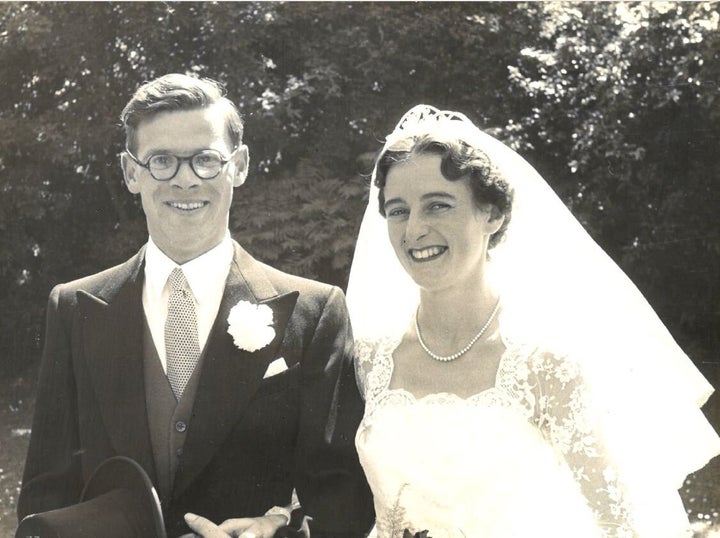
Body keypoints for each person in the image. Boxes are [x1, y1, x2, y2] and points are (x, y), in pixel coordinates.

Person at [17, 73, 374, 538]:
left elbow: (341, 496)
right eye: (161, 160)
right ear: (131, 172)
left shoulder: (315, 310)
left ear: (239, 165)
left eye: (206, 159)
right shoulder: (75, 307)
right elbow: (46, 497)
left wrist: (279, 532)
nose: (185, 180)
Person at [346, 104, 720, 537]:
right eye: (398, 210)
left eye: (438, 206)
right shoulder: (368, 359)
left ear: (493, 215)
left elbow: (618, 523)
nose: (413, 230)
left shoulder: (545, 365)